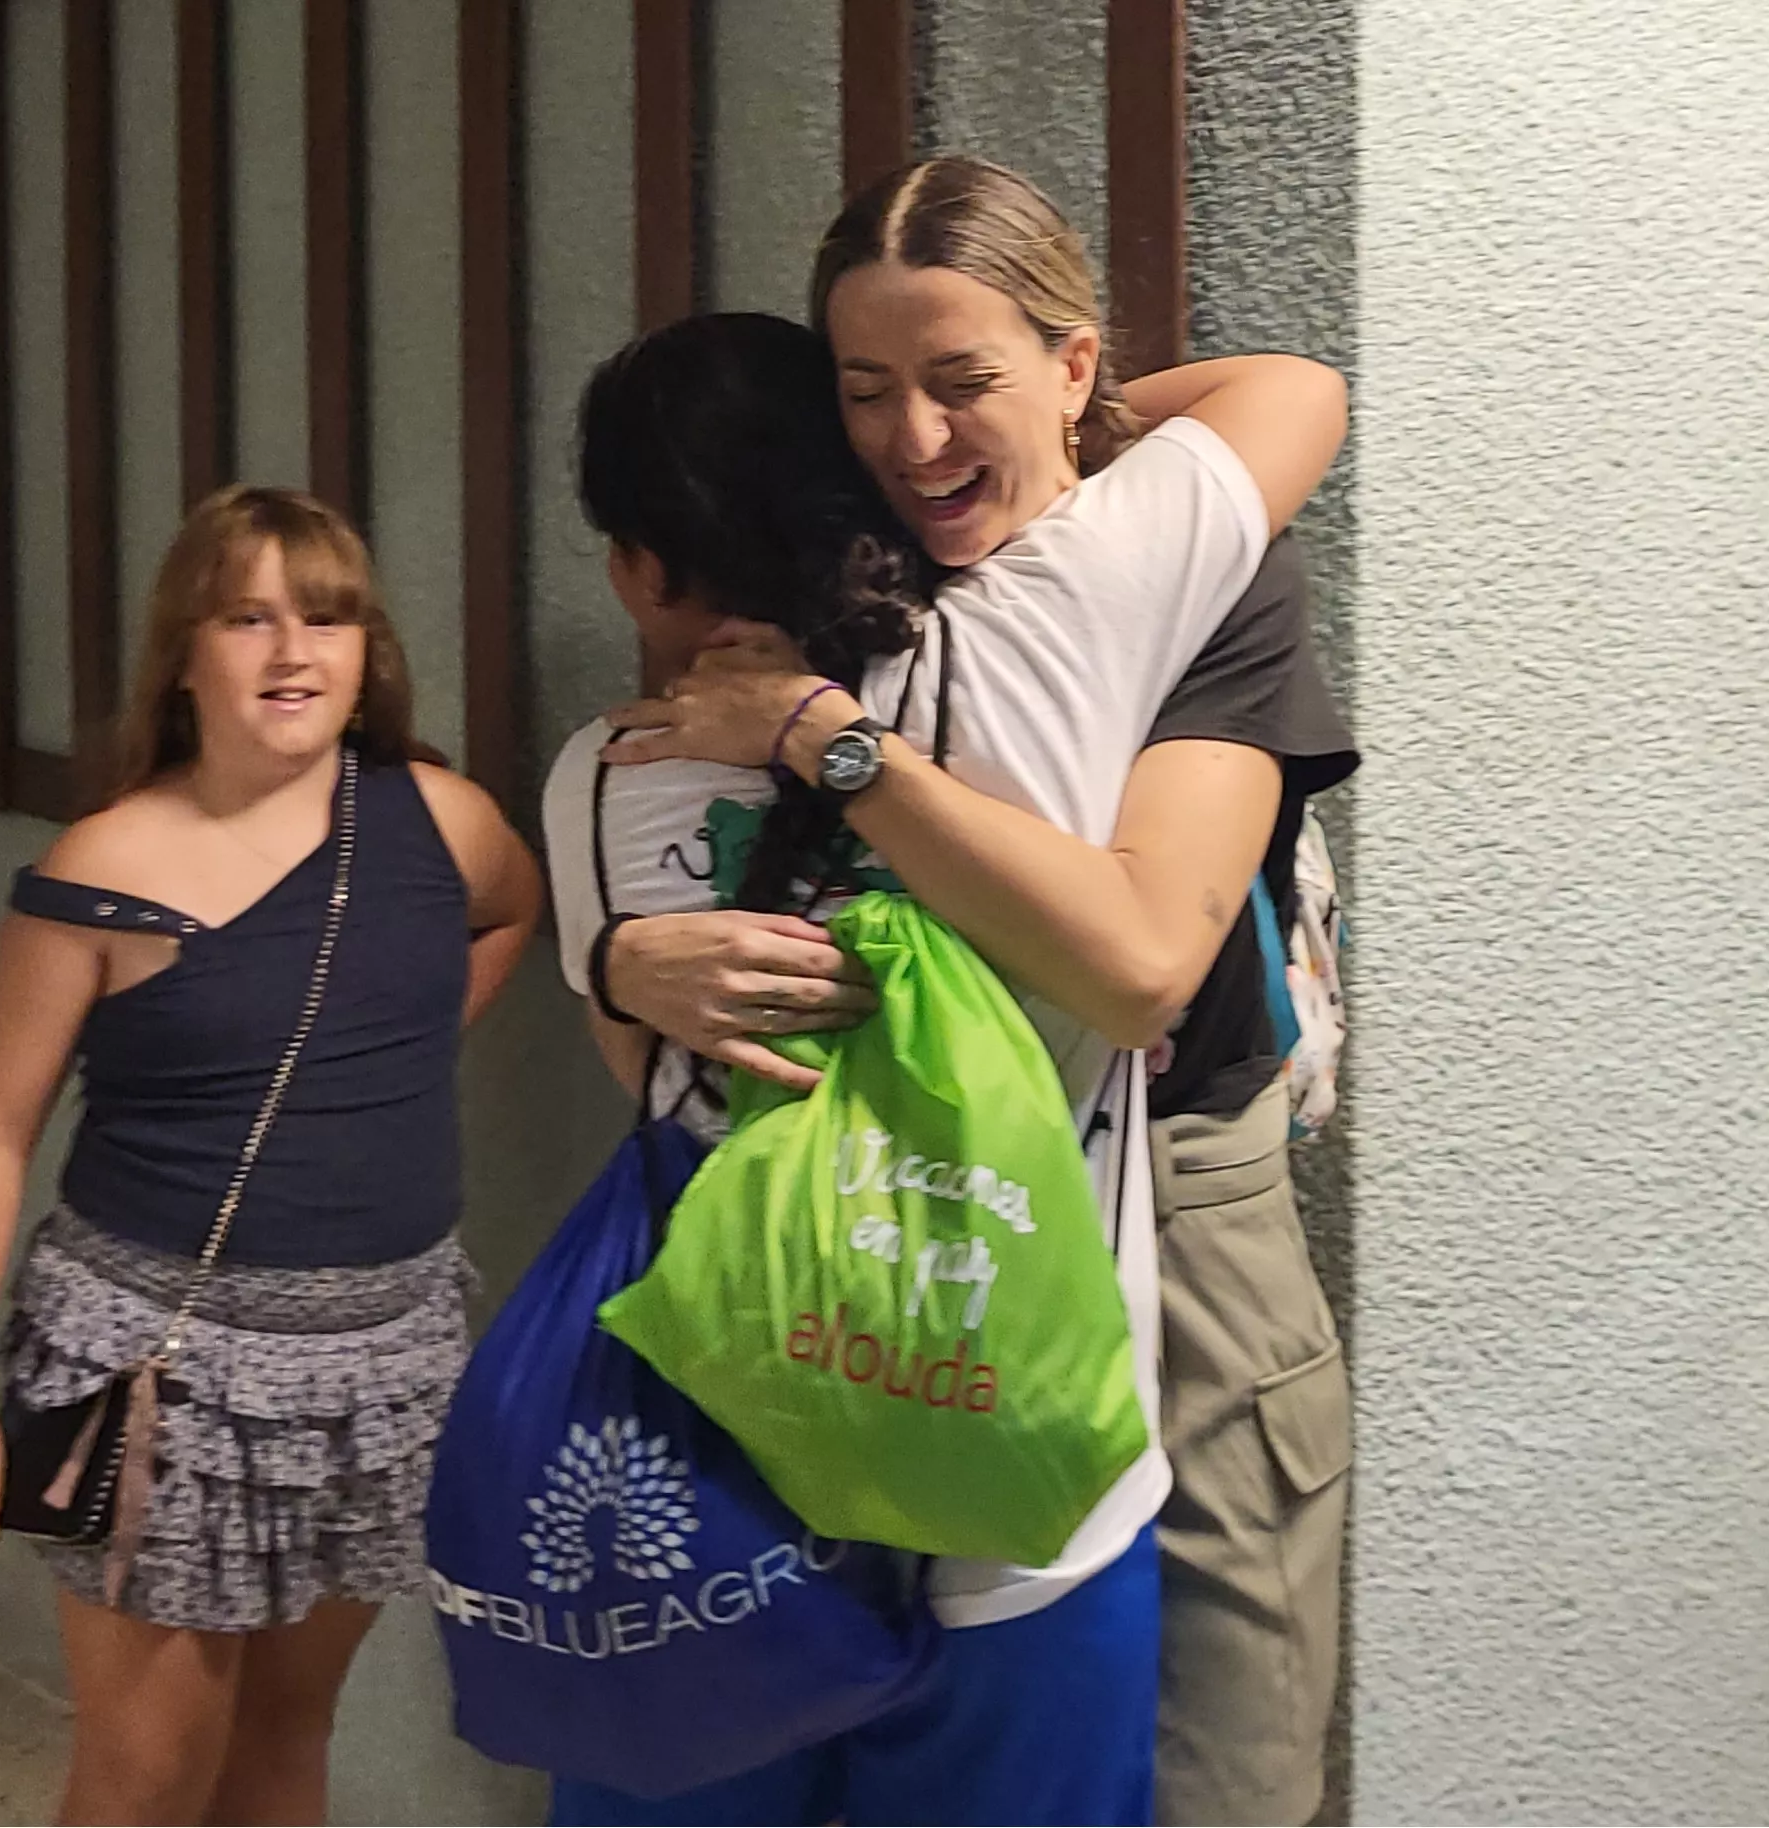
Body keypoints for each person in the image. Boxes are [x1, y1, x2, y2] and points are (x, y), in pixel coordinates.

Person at [546, 158, 1347, 1827]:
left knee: (1216, 1762)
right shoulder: (847, 622)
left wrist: (829, 749)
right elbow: (642, 1008)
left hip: (1169, 1214)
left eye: (964, 378)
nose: (914, 439)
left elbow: (1141, 966)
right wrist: (616, 955)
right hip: (864, 1230)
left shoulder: (1161, 569)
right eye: (866, 394)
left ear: (1075, 366)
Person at [0, 485, 540, 1826]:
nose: (292, 651)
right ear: (183, 654)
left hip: (385, 1360)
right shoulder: (101, 866)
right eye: (246, 617)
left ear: (370, 651)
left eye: (327, 616)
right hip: (159, 1372)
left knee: (284, 1736)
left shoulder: (440, 819)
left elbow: (508, 915)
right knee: (148, 1771)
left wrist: (392, 1061)